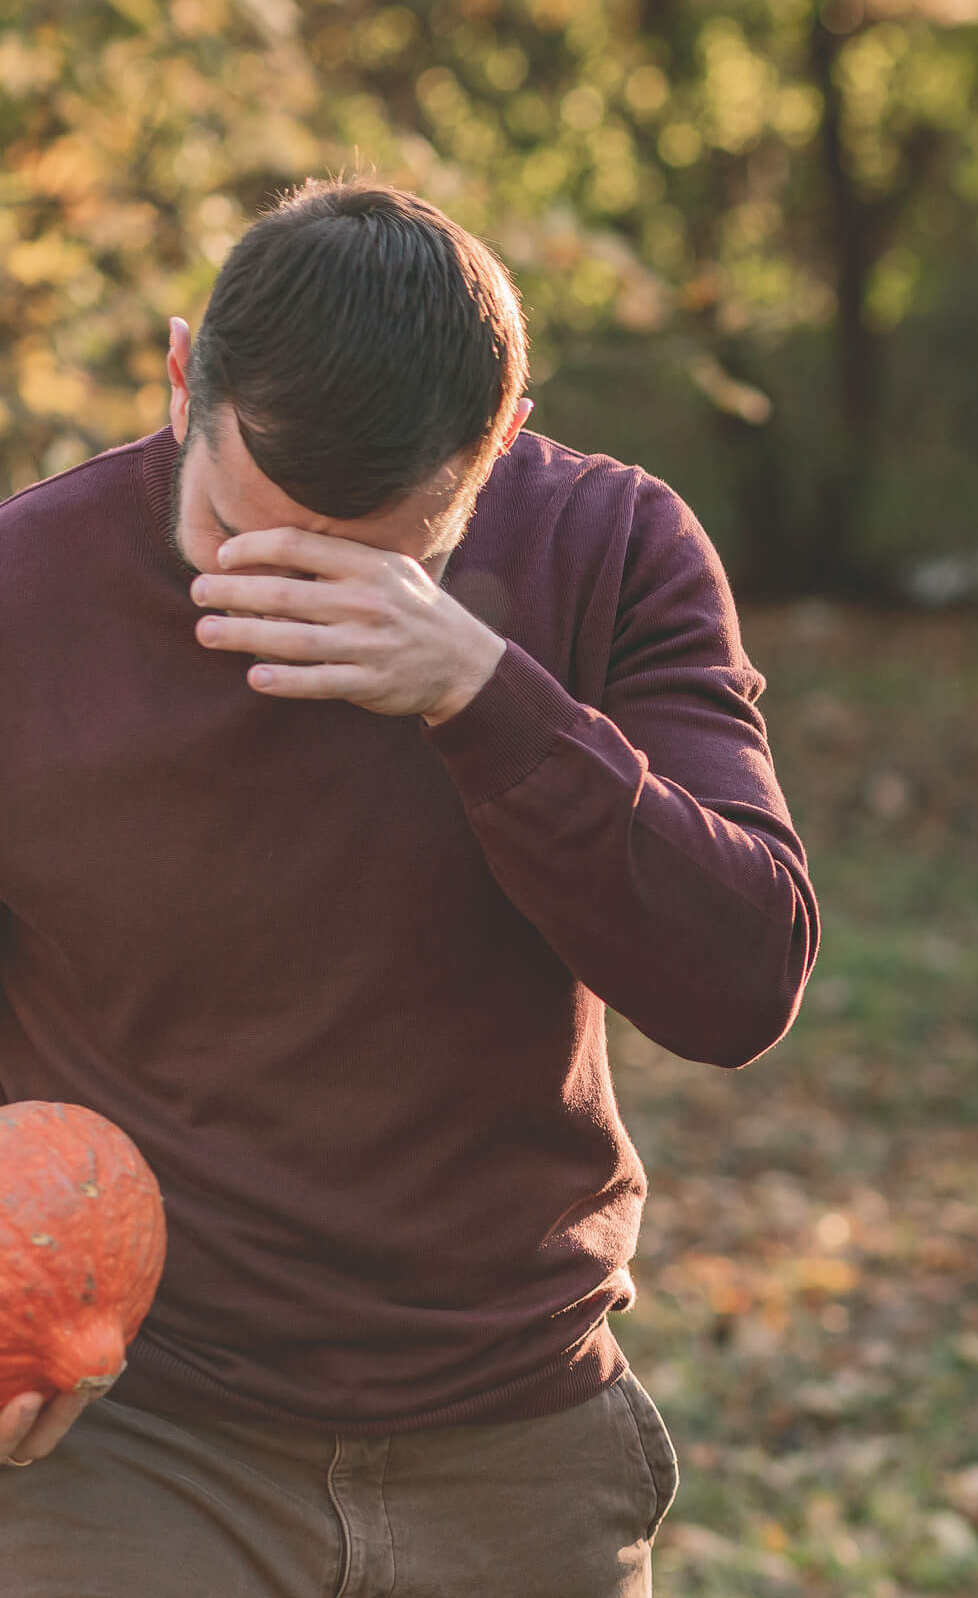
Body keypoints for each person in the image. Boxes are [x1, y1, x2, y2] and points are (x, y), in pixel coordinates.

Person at [0, 179, 819, 1595]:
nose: (296, 588)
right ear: (185, 374)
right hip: (137, 1427)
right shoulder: (24, 591)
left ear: (498, 440)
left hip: (509, 1424)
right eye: (241, 537)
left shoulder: (610, 547)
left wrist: (481, 692)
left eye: (376, 562)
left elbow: (742, 980)